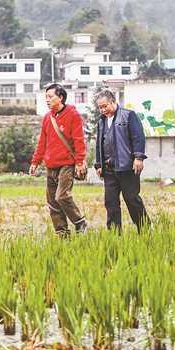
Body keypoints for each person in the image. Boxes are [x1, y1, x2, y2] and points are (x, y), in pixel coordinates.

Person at [29, 83, 88, 236]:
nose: (47, 100)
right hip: (51, 165)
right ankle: (62, 234)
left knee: (62, 196)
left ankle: (79, 222)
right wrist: (35, 162)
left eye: (50, 97)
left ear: (60, 97)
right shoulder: (47, 118)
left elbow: (79, 140)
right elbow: (42, 142)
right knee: (53, 202)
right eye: (46, 97)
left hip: (67, 164)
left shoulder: (73, 115)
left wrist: (79, 162)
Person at [94, 88, 150, 232]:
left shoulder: (128, 115)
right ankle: (115, 234)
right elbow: (99, 143)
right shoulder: (101, 121)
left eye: (105, 106)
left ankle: (145, 230)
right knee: (110, 202)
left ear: (113, 102)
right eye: (100, 107)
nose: (103, 110)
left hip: (127, 167)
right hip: (109, 169)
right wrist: (99, 164)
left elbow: (138, 137)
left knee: (132, 199)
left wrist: (138, 157)